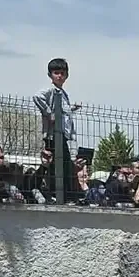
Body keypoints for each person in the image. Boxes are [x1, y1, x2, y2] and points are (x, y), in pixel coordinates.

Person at [32, 58, 81, 198]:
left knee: (65, 165)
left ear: (66, 75)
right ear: (50, 75)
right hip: (53, 135)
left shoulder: (62, 93)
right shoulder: (50, 90)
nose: (59, 76)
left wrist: (72, 108)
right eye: (56, 73)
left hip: (62, 135)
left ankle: (64, 193)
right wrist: (49, 114)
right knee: (56, 166)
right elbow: (37, 97)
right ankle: (56, 193)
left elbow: (63, 110)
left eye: (62, 73)